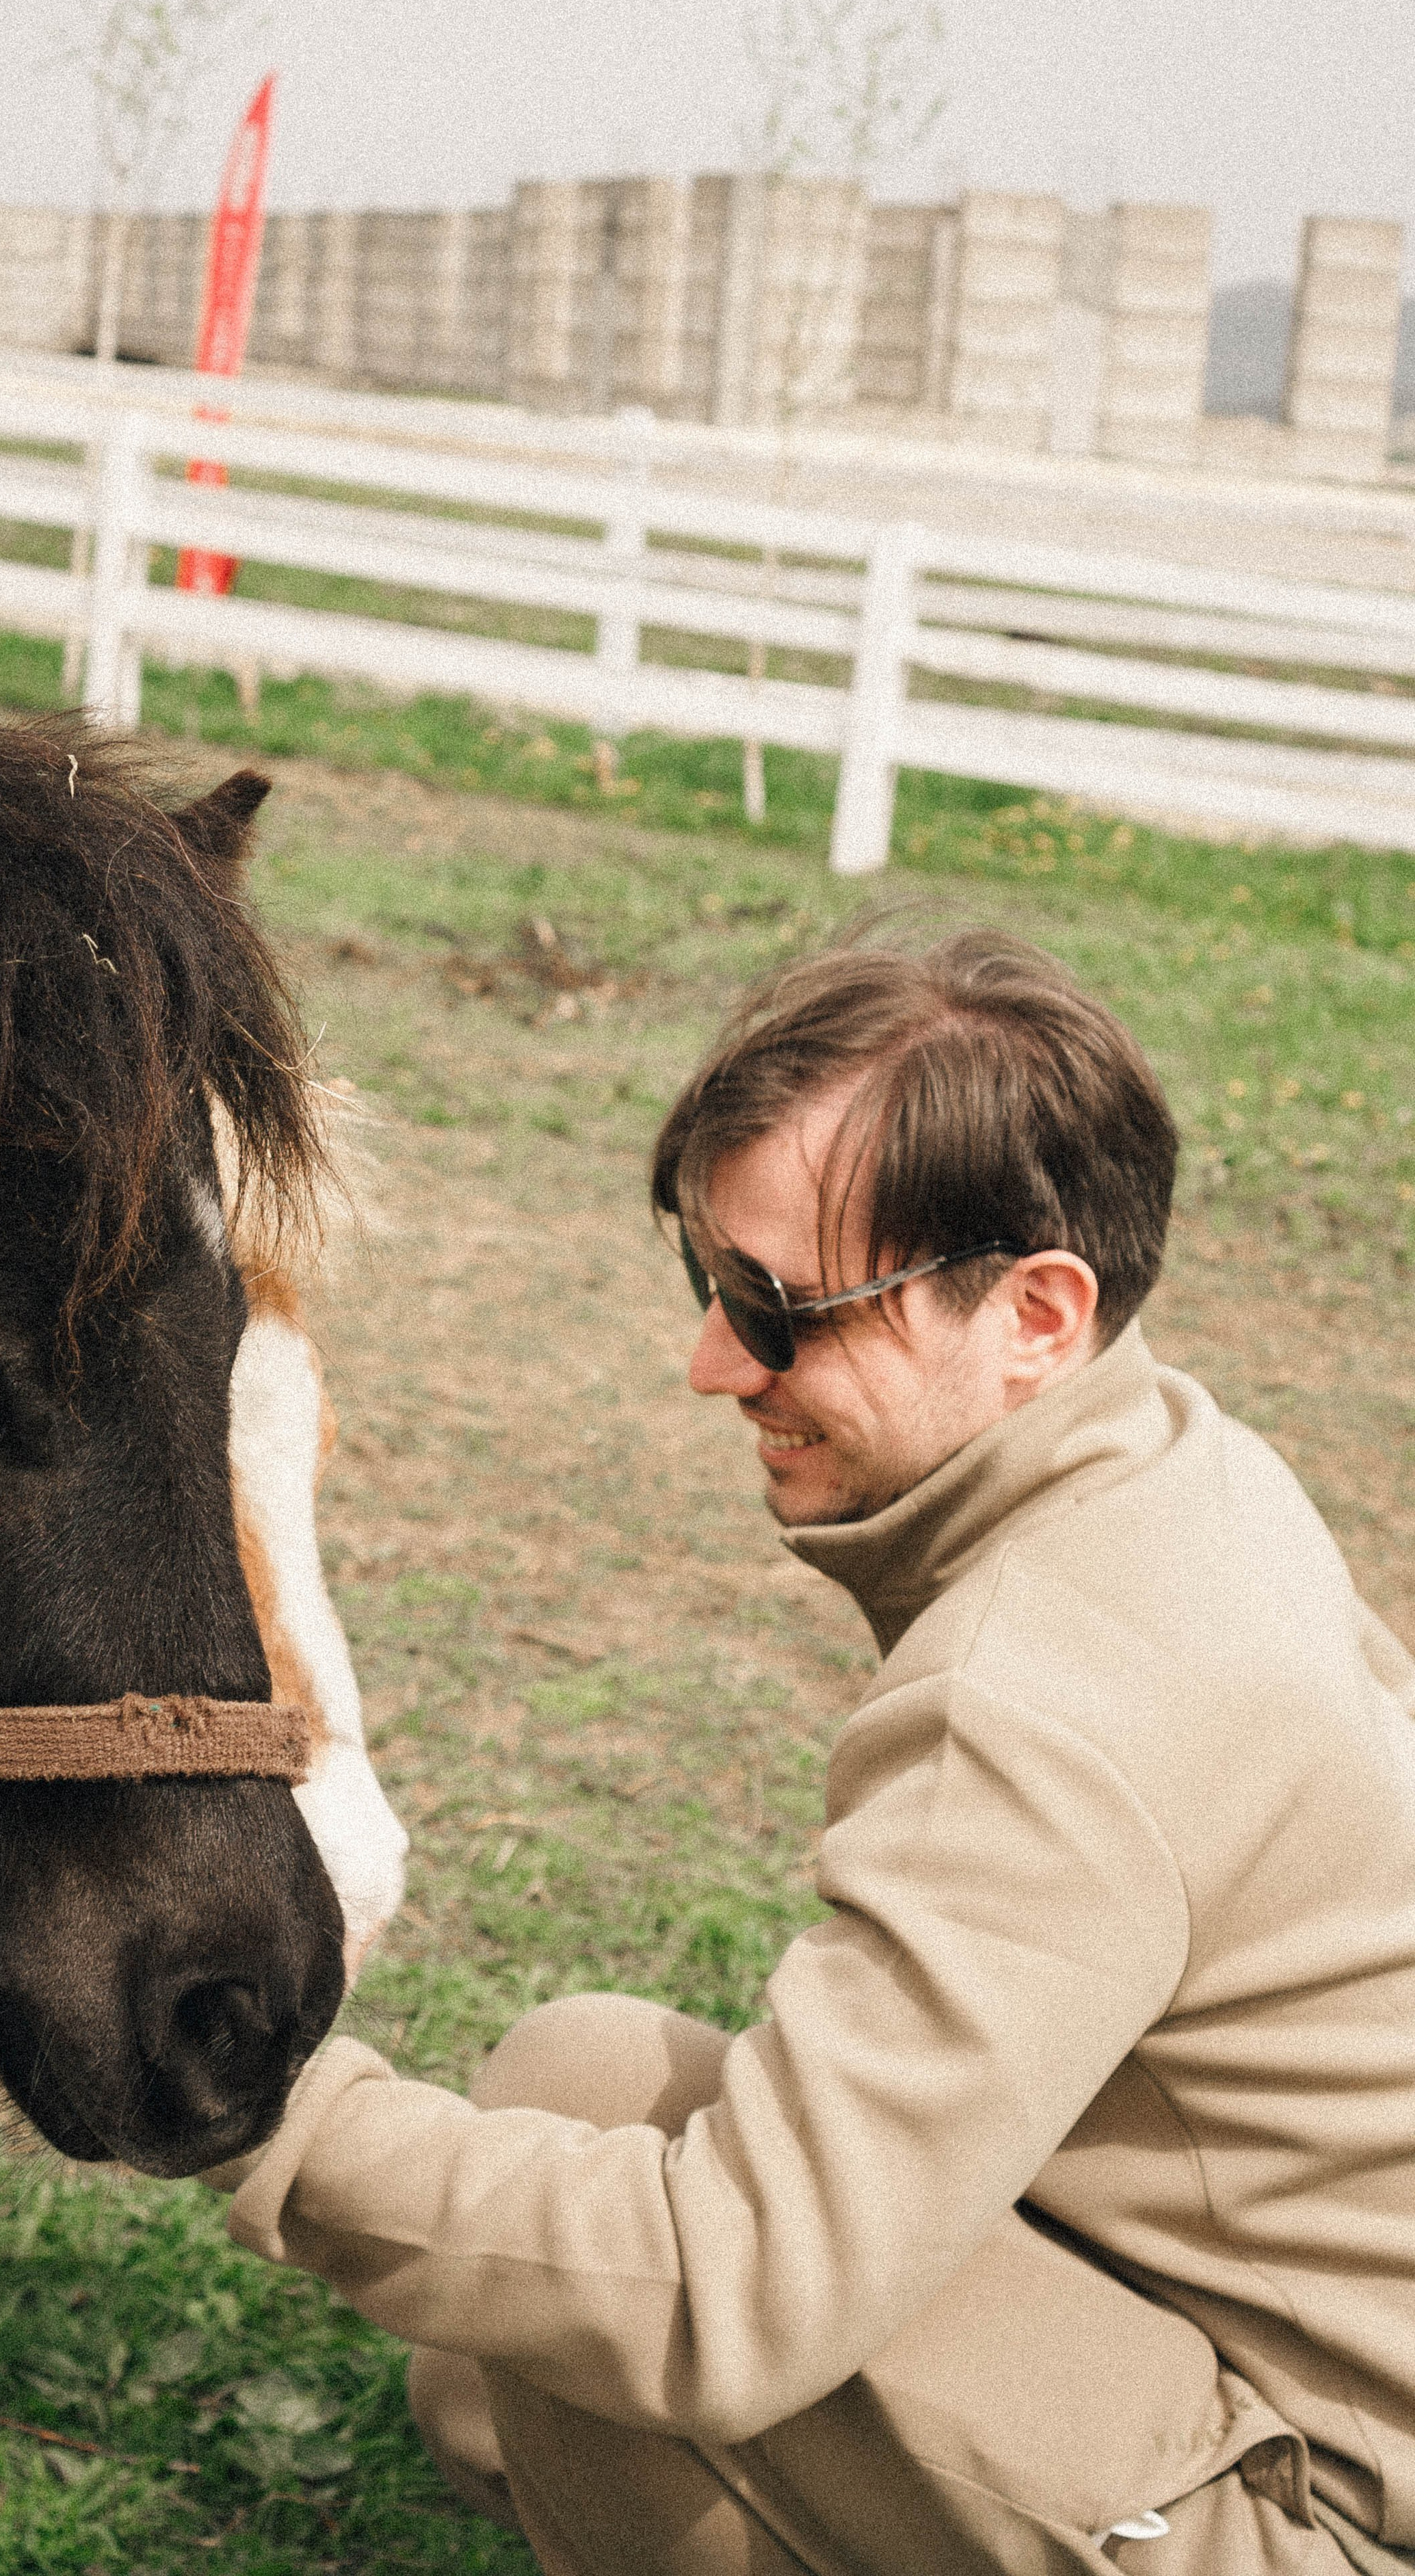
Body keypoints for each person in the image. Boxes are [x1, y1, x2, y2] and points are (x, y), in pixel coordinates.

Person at [202, 930, 1415, 2576]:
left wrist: (248, 2109)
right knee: (579, 2088)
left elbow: (721, 2302)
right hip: (1258, 2353)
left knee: (613, 2339)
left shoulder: (1045, 1701)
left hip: (1326, 2510)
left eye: (779, 1309)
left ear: (1034, 1316)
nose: (713, 1362)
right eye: (707, 1283)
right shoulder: (1174, 1471)